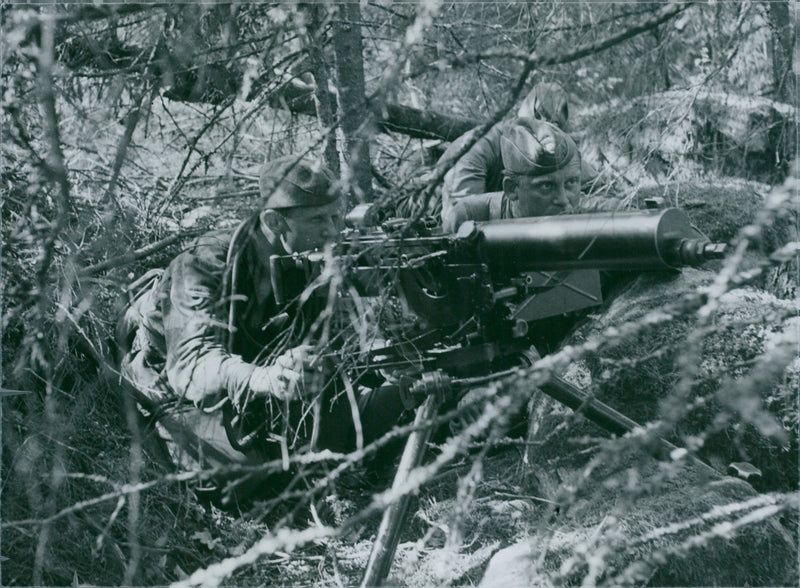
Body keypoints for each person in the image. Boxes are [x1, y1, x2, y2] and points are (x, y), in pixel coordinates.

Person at [117, 156, 408, 509]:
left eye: (336, 217)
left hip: (264, 370)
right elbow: (191, 365)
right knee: (239, 473)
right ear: (273, 220)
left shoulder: (308, 254)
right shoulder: (207, 262)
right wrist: (263, 379)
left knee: (378, 414)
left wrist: (385, 356)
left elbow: (340, 338)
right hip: (171, 371)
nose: (332, 230)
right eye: (318, 220)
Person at [438, 81, 605, 223]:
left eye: (555, 127)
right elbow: (461, 221)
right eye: (541, 120)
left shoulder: (555, 153)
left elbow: (600, 188)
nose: (546, 131)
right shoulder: (475, 149)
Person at [442, 117, 619, 232]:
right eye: (546, 186)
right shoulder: (469, 217)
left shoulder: (595, 213)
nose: (564, 200)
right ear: (511, 189)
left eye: (571, 183)